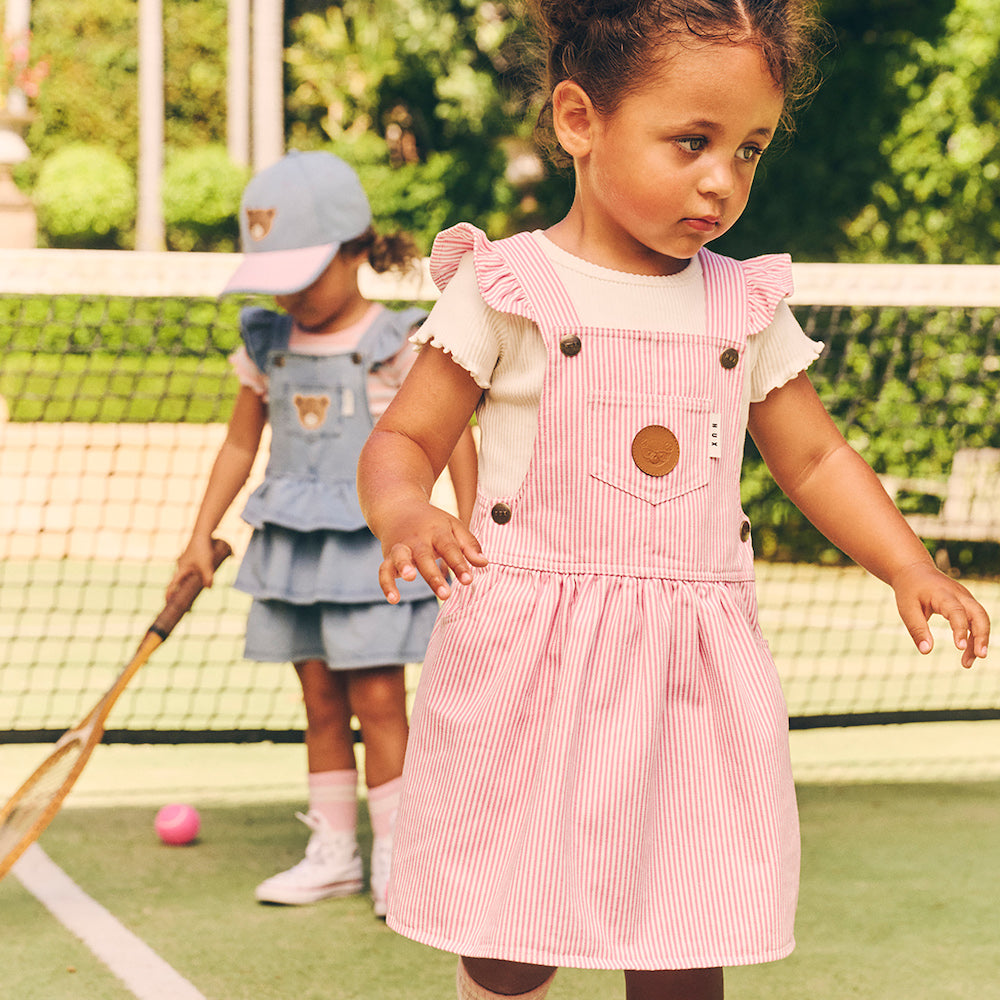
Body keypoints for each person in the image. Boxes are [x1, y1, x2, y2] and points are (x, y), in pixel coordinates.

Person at [357, 1, 991, 996]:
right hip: (532, 659)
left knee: (686, 932)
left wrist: (909, 564)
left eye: (748, 150)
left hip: (691, 669)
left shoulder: (740, 302)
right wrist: (404, 510)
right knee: (510, 940)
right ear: (579, 120)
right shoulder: (504, 286)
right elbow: (405, 436)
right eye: (691, 141)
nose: (721, 180)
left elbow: (815, 457)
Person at [169, 150, 477, 918]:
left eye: (303, 272)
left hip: (372, 552)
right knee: (317, 701)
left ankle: (401, 862)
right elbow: (241, 446)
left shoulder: (398, 342)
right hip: (294, 548)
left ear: (353, 248)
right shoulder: (267, 342)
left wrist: (469, 527)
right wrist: (199, 536)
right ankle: (334, 854)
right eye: (277, 274)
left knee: (379, 699)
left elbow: (453, 439)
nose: (288, 292)